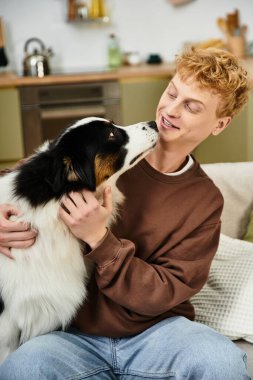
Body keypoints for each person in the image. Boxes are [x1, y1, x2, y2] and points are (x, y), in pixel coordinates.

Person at [0, 47, 251, 379]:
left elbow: (164, 292)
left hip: (159, 334)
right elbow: (20, 182)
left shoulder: (204, 201)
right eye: (172, 92)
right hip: (73, 337)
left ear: (220, 124)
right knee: (23, 367)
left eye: (191, 106)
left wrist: (98, 239)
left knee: (222, 361)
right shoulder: (93, 155)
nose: (171, 110)